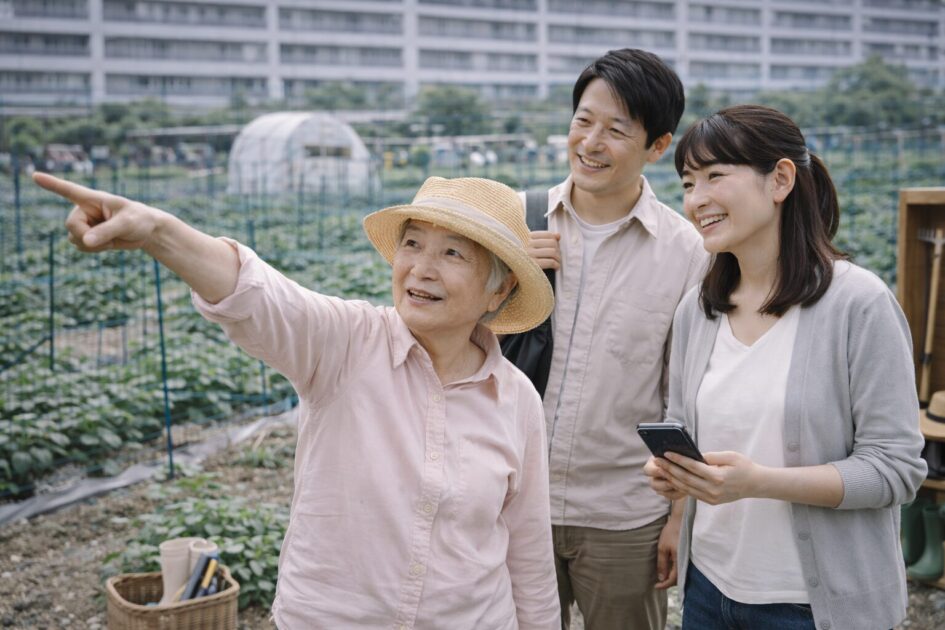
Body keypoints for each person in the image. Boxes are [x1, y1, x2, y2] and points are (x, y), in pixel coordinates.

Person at [33, 172, 561, 629]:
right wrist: (157, 231)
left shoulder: (514, 399)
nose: (422, 268)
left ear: (498, 290)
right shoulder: (343, 344)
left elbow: (528, 551)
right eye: (413, 244)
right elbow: (256, 293)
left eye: (452, 253)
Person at [644, 104, 927, 630]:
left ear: (779, 179)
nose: (696, 199)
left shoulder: (858, 304)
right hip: (708, 588)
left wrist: (759, 481)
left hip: (808, 606)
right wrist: (677, 474)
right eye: (686, 183)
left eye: (714, 177)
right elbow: (684, 425)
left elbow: (896, 469)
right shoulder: (698, 309)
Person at [524, 48, 708, 629]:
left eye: (616, 130)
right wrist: (500, 284)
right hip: (513, 505)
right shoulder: (518, 221)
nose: (590, 142)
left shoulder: (688, 253)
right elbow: (459, 355)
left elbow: (687, 395)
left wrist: (680, 517)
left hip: (625, 514)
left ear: (657, 146)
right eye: (583, 120)